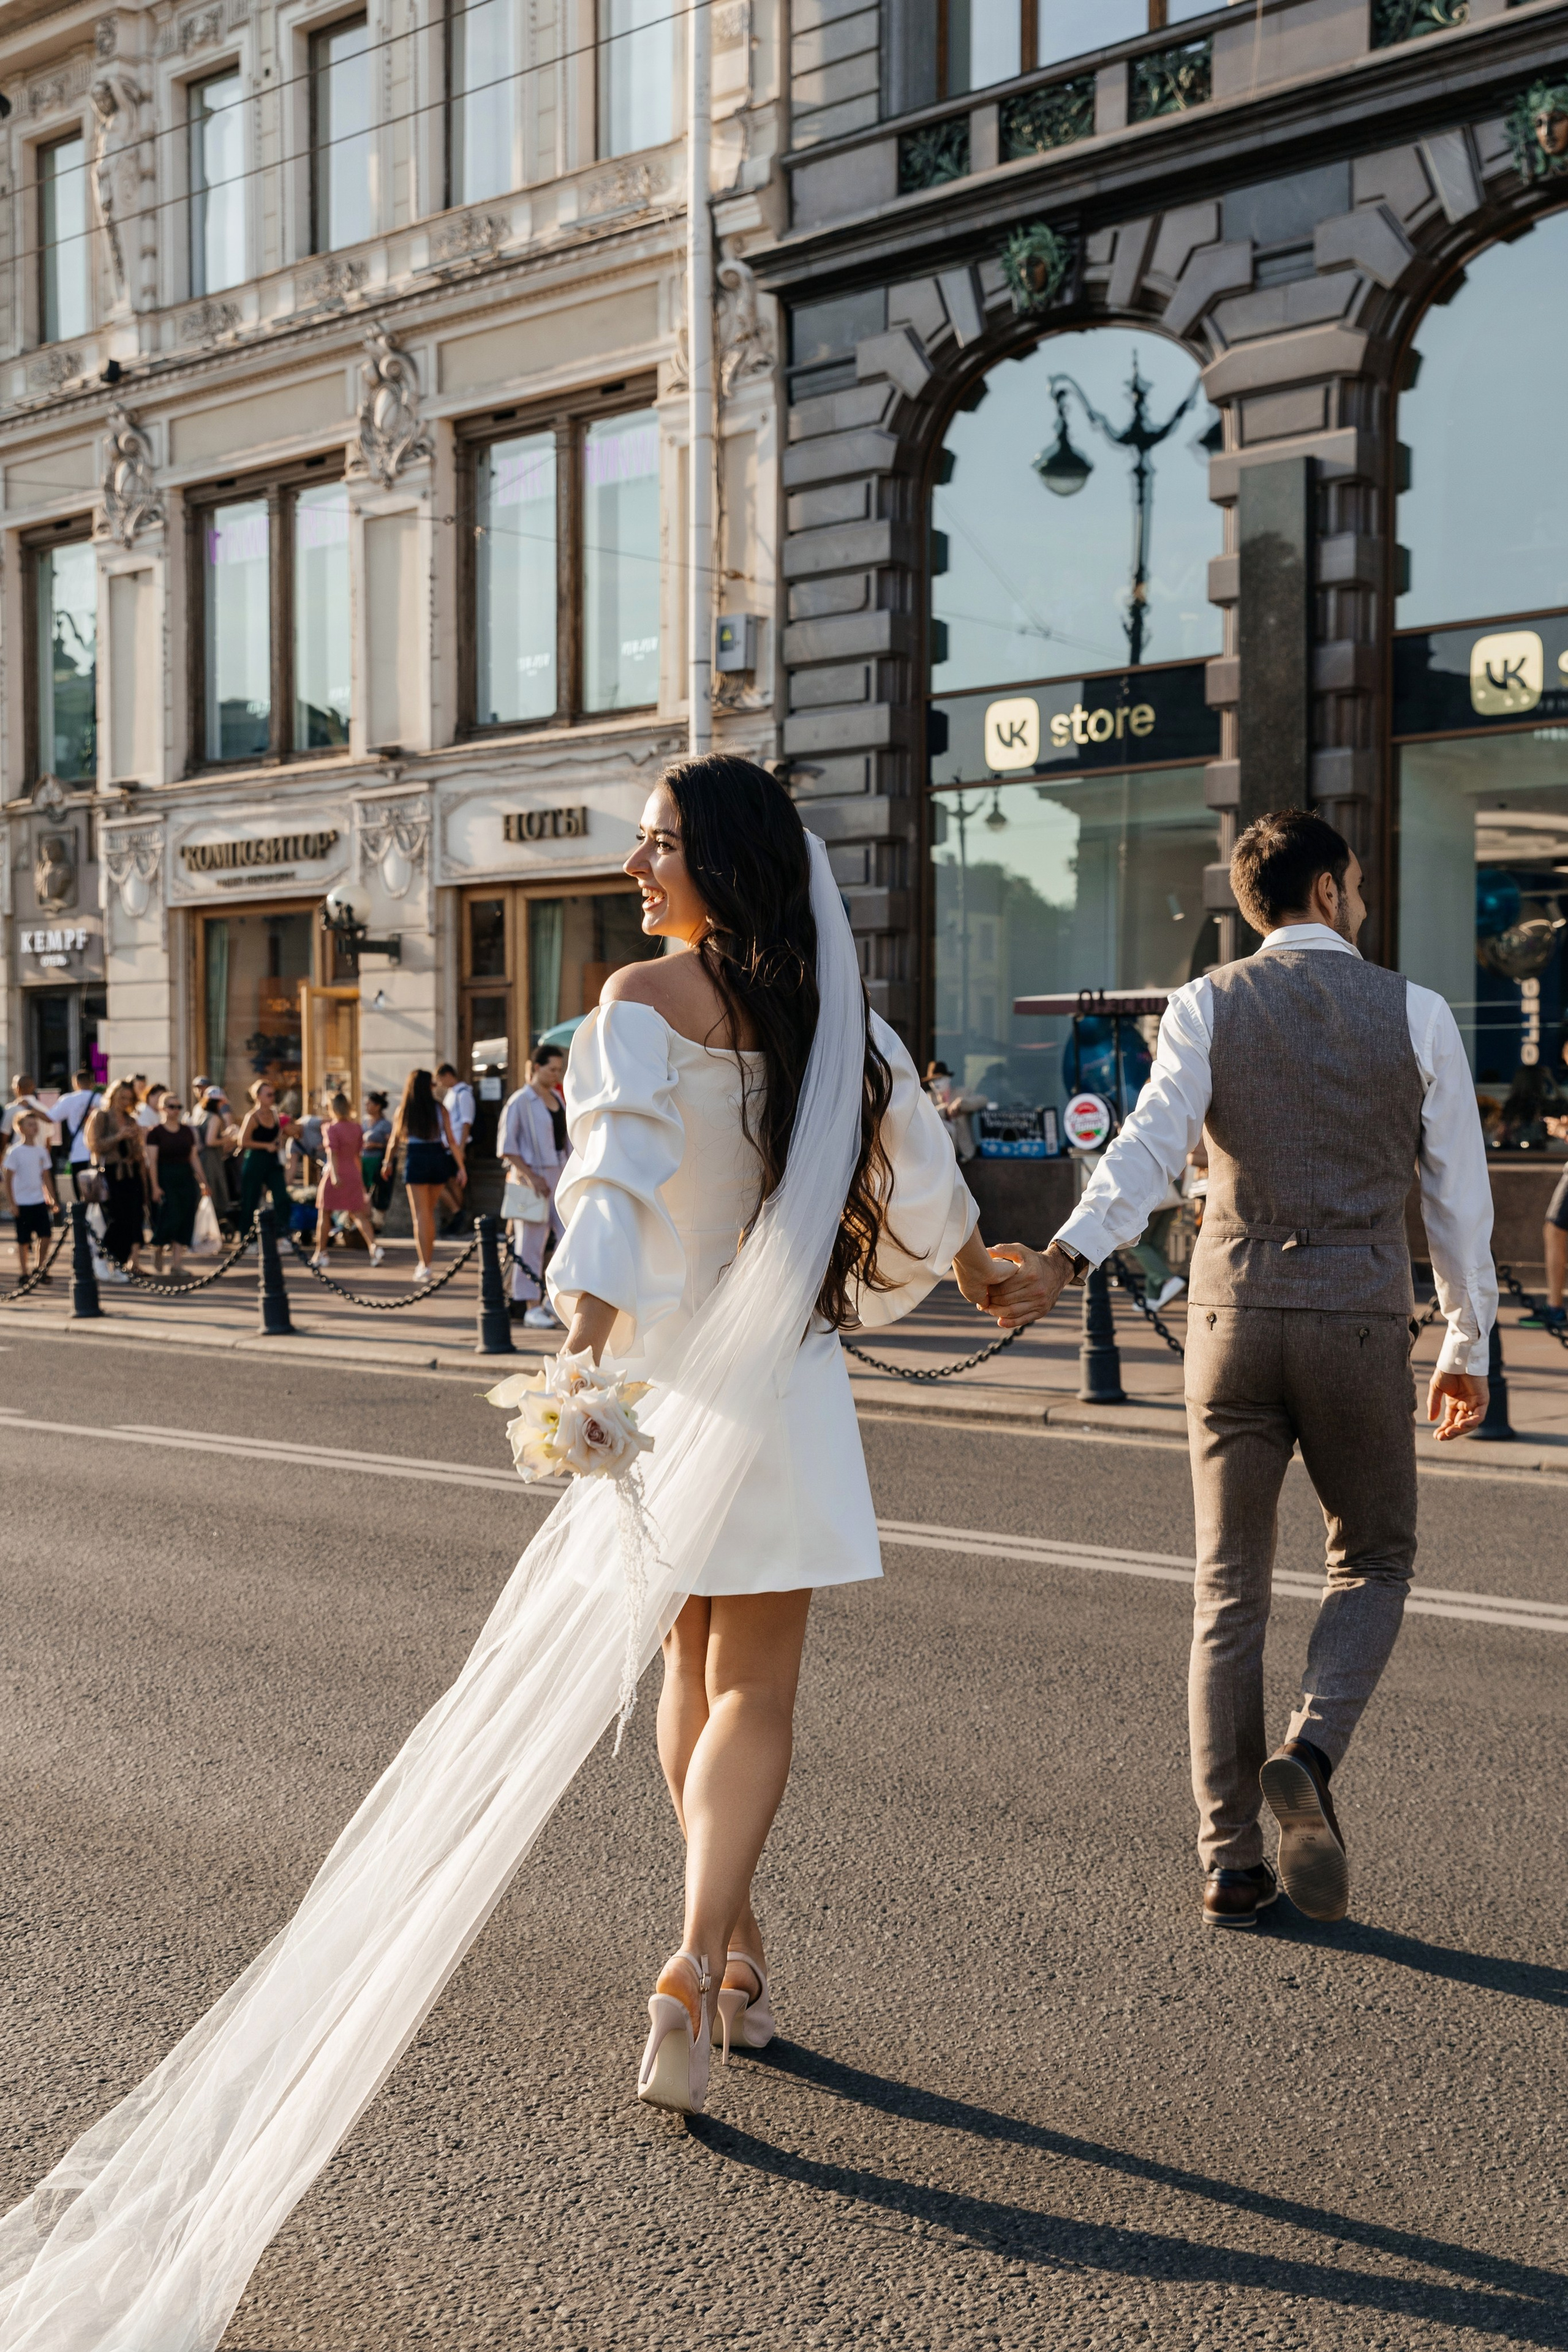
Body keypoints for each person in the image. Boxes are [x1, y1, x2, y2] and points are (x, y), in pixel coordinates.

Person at [0, 760, 1009, 2343]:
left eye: (660, 843)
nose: (635, 864)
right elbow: (922, 1197)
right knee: (753, 1686)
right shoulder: (840, 1026)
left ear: (720, 858)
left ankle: (712, 1957)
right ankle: (709, 1955)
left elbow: (605, 1194)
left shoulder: (638, 1004)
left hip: (669, 1386)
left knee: (687, 1670)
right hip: (786, 1390)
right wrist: (993, 1275)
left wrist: (582, 1360)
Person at [984, 809, 1495, 1930]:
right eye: (1356, 885)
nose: (1361, 902)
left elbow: (1151, 1146)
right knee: (1374, 1559)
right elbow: (1459, 1194)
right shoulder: (1416, 1012)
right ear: (1330, 891)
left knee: (1227, 1591)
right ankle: (1308, 1751)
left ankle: (1229, 1863)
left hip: (1232, 1314)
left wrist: (1068, 1256)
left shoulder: (1206, 1002)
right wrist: (1468, 1343)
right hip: (1357, 1313)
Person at [499, 1041, 568, 1326]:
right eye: (552, 1069)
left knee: (569, 1237)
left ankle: (553, 1298)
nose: (557, 1075)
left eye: (560, 1070)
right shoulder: (520, 1101)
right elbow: (507, 1147)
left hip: (560, 1174)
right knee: (531, 1243)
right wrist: (530, 1176)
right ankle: (529, 1306)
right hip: (531, 1179)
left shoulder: (558, 1098)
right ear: (537, 1068)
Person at [386, 1068, 464, 1283]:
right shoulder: (439, 1108)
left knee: (421, 1215)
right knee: (428, 1213)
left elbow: (394, 1141)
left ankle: (425, 1265)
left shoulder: (405, 1109)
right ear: (429, 1086)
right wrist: (461, 1167)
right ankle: (426, 1263)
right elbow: (452, 1140)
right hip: (437, 1156)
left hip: (416, 1157)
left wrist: (387, 1163)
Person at [312, 1091, 385, 1266]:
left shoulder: (331, 1128)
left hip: (335, 1173)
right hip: (353, 1173)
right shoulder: (356, 1127)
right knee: (359, 1214)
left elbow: (333, 1154)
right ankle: (374, 1248)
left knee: (325, 1214)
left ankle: (321, 1253)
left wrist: (335, 1176)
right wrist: (360, 1179)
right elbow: (358, 1156)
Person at [86, 1079, 149, 1278]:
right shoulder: (101, 1116)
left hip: (131, 1174)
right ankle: (101, 1258)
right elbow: (94, 1145)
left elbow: (138, 1152)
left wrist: (137, 1140)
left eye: (129, 1099)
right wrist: (118, 1136)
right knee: (116, 1220)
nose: (124, 1102)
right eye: (121, 1097)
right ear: (112, 1096)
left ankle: (121, 1264)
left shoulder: (131, 1119)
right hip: (111, 1174)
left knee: (133, 1220)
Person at [146, 1093, 209, 1277]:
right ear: (163, 1108)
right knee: (170, 1217)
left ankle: (177, 1263)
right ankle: (158, 1246)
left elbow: (194, 1157)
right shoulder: (155, 1132)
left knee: (186, 1219)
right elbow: (152, 1162)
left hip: (186, 1178)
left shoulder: (187, 1131)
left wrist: (204, 1182)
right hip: (166, 1178)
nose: (176, 1110)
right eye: (172, 1106)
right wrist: (155, 1186)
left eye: (178, 1107)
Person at [2, 1108, 59, 1281]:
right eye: (30, 1125)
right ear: (21, 1128)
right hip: (22, 1202)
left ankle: (40, 1268)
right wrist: (12, 1203)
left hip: (38, 1201)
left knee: (46, 1235)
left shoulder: (42, 1151)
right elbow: (8, 1179)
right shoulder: (15, 1152)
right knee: (24, 1240)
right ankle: (23, 1272)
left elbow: (46, 1177)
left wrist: (53, 1198)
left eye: (35, 1124)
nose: (34, 1128)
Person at [235, 1079, 292, 1237]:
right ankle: (246, 1237)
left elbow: (278, 1133)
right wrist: (266, 1146)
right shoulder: (252, 1116)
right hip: (255, 1160)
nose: (272, 1098)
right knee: (250, 1200)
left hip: (273, 1161)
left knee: (282, 1197)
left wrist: (278, 1142)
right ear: (258, 1096)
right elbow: (242, 1141)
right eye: (269, 1095)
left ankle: (281, 1234)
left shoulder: (274, 1113)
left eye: (274, 1094)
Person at [46, 1065, 102, 1200]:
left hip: (78, 1152)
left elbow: (51, 1117)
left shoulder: (69, 1099)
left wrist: (31, 1107)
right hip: (99, 1151)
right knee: (100, 1194)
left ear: (76, 1083)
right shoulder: (101, 1099)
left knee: (81, 1195)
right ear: (92, 1083)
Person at [436, 1060, 475, 1234]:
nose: (440, 1083)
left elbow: (467, 1122)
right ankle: (458, 1215)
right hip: (449, 1146)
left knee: (455, 1182)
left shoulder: (463, 1094)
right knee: (450, 1182)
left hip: (458, 1146)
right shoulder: (452, 1093)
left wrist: (461, 1149)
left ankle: (460, 1218)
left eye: (440, 1079)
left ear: (448, 1075)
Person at [924, 1058, 986, 1162]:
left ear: (948, 1078)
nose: (936, 1083)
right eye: (932, 1081)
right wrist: (945, 1110)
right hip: (939, 1156)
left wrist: (961, 1104)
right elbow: (925, 1115)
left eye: (939, 1079)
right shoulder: (927, 1098)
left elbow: (983, 1100)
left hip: (964, 1153)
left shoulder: (962, 1093)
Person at [192, 1087, 236, 1227]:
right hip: (211, 1160)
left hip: (201, 1158)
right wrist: (228, 1138)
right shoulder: (215, 1117)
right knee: (213, 1192)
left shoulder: (201, 1114)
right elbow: (210, 1141)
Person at [1, 1072, 46, 1139]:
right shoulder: (44, 1108)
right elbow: (49, 1138)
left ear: (18, 1088)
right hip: (40, 1146)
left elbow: (5, 1135)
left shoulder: (11, 1108)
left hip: (18, 1145)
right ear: (33, 1087)